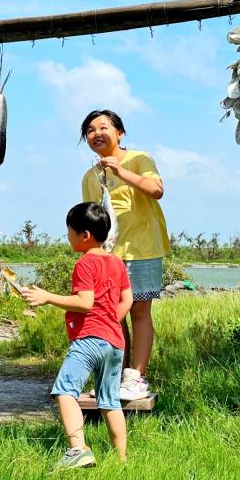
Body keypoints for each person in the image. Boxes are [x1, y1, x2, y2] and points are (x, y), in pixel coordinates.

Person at [21, 202, 133, 468]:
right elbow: (127, 299)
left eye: (70, 231)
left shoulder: (85, 264)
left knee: (65, 391)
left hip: (89, 340)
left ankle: (78, 450)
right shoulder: (116, 262)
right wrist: (110, 322)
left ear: (85, 235)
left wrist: (47, 297)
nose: (68, 236)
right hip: (115, 342)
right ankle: (121, 460)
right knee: (110, 401)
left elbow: (85, 303)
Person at [80, 109, 169, 401]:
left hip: (142, 249)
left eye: (103, 127)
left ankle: (136, 378)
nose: (96, 134)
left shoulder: (139, 159)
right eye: (90, 130)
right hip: (109, 256)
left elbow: (157, 190)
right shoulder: (90, 177)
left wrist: (120, 171)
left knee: (140, 313)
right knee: (112, 317)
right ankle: (115, 377)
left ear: (120, 133)